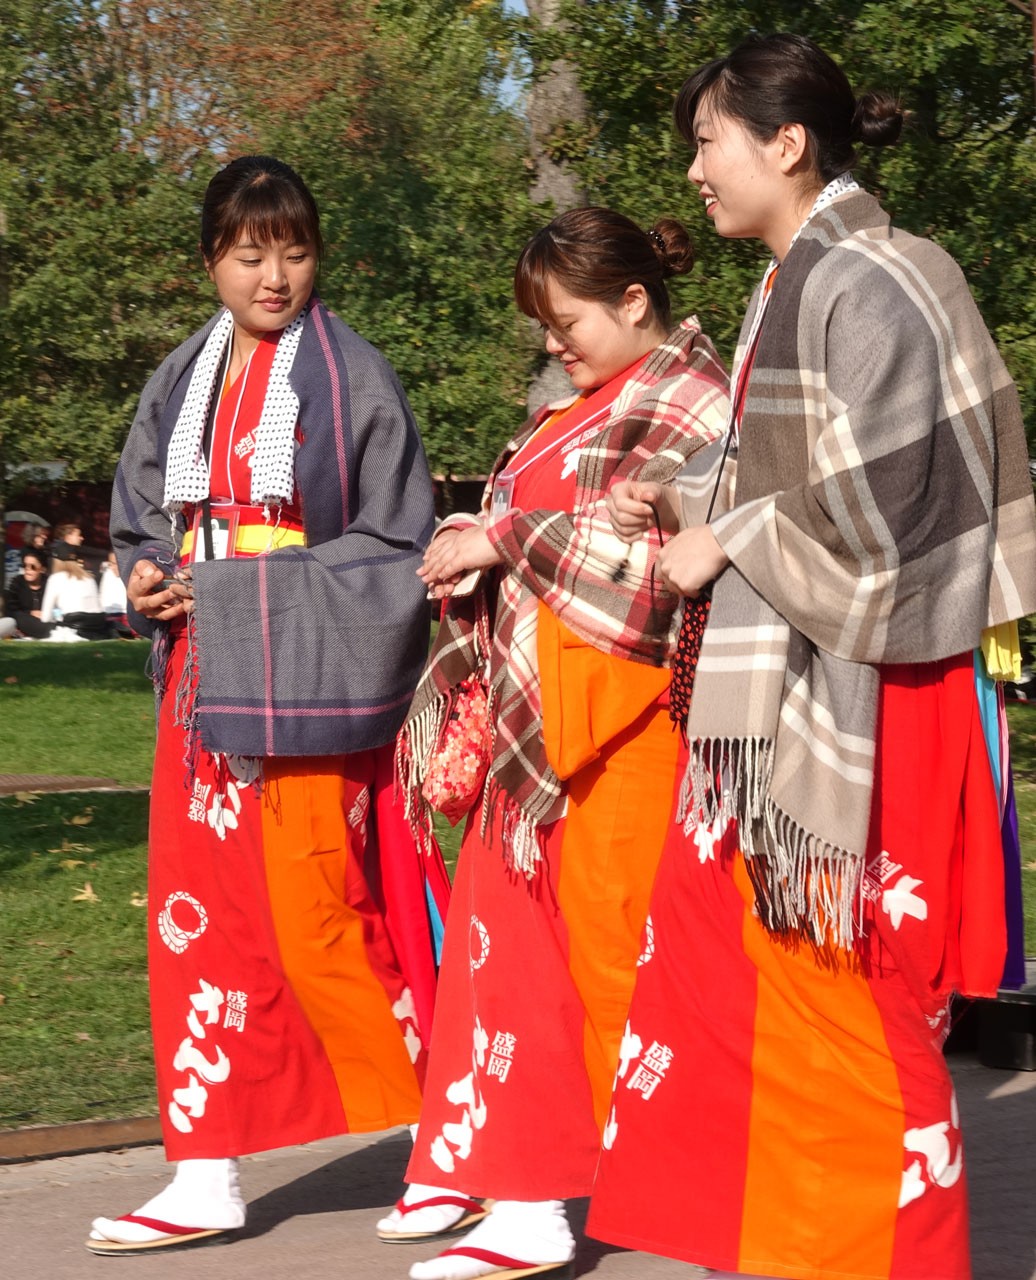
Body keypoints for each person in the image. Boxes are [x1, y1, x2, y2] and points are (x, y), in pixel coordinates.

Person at [588, 35, 1036, 1280]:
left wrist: (722, 530)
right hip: (805, 684)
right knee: (743, 974)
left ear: (786, 144)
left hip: (872, 690)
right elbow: (792, 475)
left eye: (709, 139)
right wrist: (687, 498)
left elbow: (899, 499)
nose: (692, 169)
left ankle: (895, 1256)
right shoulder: (806, 275)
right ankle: (799, 1244)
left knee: (852, 989)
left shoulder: (881, 275)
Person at [90, 154, 453, 1256]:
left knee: (322, 916)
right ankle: (205, 1166)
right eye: (251, 253)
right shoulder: (179, 377)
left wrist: (246, 584)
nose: (275, 274)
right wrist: (148, 575)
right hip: (202, 688)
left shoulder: (354, 377)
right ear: (212, 258)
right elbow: (140, 515)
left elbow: (398, 546)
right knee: (201, 927)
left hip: (307, 683)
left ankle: (456, 1137)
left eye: (295, 249)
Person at [389, 209, 731, 1280]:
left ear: (635, 300)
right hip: (542, 727)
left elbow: (657, 565)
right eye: (545, 324)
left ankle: (683, 1188)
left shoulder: (694, 401)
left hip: (629, 725)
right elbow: (575, 530)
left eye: (566, 318)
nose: (553, 342)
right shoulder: (585, 405)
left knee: (626, 970)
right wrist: (479, 545)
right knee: (514, 961)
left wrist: (503, 535)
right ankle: (525, 1194)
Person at [38, 554, 111, 641]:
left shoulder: (55, 578)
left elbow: (46, 617)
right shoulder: (90, 577)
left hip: (74, 625)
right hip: (97, 625)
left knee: (23, 617)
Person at [4, 550, 53, 639]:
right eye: (24, 565)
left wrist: (45, 614)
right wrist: (30, 613)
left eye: (32, 566)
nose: (27, 569)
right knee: (18, 617)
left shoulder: (49, 583)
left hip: (46, 620)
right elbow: (10, 610)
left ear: (42, 569)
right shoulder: (17, 583)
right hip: (23, 622)